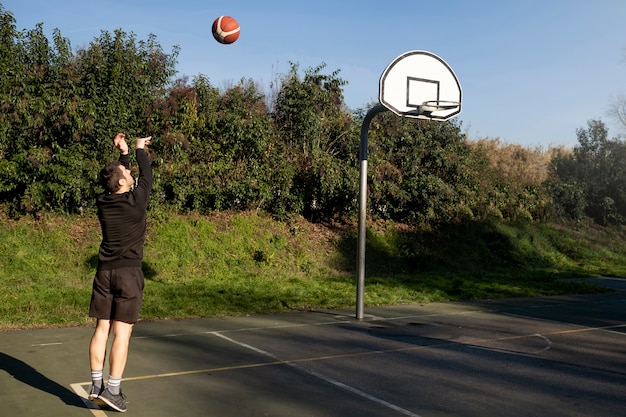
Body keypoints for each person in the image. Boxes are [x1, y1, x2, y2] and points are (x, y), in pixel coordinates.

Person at [87, 133, 152, 413]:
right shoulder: (136, 202)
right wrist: (138, 150)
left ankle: (96, 385)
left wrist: (123, 155)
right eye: (127, 172)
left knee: (103, 328)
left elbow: (121, 178)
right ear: (124, 182)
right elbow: (146, 175)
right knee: (122, 334)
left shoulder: (104, 201)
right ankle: (113, 391)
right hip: (128, 275)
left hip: (104, 273)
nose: (131, 173)